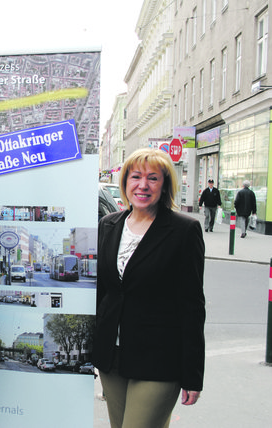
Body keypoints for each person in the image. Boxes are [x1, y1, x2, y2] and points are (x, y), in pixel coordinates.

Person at [94, 148, 205, 428]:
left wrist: (193, 374)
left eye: (153, 178)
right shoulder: (109, 225)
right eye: (136, 177)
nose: (143, 185)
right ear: (125, 182)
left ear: (165, 185)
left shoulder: (183, 231)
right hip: (113, 358)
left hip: (159, 359)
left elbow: (192, 306)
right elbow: (104, 293)